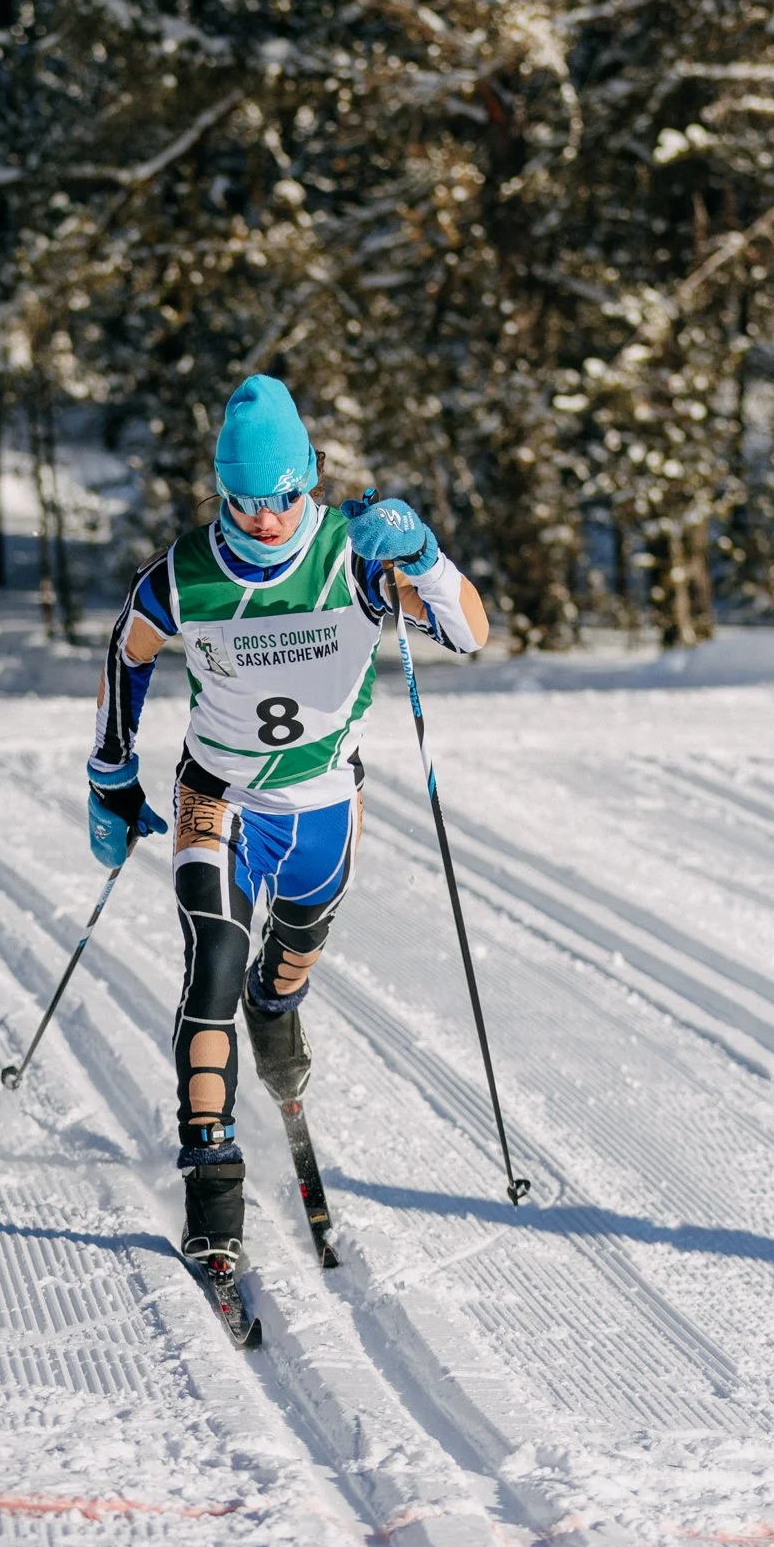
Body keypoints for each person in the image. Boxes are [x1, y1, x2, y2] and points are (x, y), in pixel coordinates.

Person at [87, 374, 489, 1275]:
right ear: (219, 491)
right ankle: (211, 1179)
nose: (265, 518)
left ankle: (281, 1003)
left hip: (321, 807)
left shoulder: (352, 556)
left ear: (309, 481)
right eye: (244, 501)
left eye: (284, 499)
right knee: (210, 970)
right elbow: (127, 650)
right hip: (216, 798)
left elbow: (468, 636)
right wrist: (110, 774)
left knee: (286, 961)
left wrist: (423, 556)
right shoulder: (184, 573)